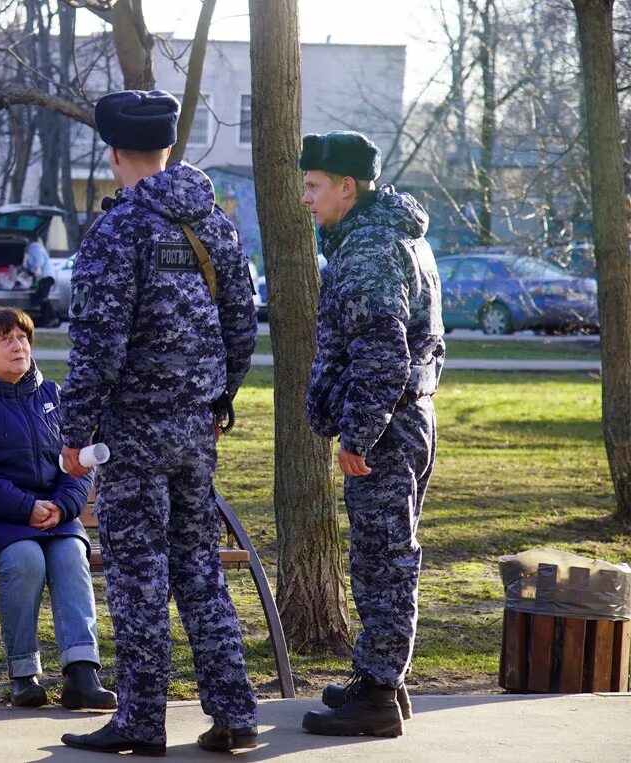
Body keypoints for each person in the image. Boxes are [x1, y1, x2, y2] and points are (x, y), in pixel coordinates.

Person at [57, 90, 260, 756]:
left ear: (114, 153)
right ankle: (234, 709)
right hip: (196, 430)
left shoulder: (119, 231)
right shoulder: (216, 225)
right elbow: (241, 326)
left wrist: (74, 433)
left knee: (139, 571)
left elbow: (98, 344)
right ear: (168, 148)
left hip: (131, 433)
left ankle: (141, 717)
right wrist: (216, 400)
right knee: (200, 567)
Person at [298, 131, 444, 738]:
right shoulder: (399, 239)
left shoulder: (369, 251)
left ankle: (379, 696)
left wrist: (357, 436)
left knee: (382, 558)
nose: (306, 198)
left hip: (384, 428)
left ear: (346, 188)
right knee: (388, 552)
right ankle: (383, 676)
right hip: (408, 418)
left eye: (313, 186)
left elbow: (383, 353)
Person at [0, 307, 116, 710]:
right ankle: (23, 674)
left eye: (23, 337)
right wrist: (24, 507)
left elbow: (78, 460)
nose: (18, 346)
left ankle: (82, 673)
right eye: (6, 340)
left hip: (49, 513)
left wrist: (65, 506)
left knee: (71, 552)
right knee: (25, 558)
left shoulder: (52, 395)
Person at [23, 236, 60, 327]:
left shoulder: (34, 247)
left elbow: (39, 261)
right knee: (42, 298)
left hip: (45, 277)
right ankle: (50, 320)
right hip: (46, 277)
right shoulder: (34, 248)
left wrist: (37, 269)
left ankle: (52, 319)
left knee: (43, 298)